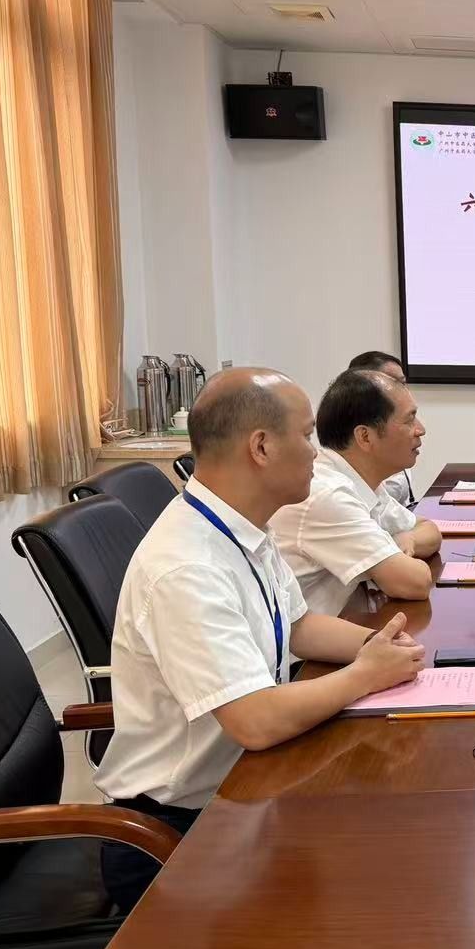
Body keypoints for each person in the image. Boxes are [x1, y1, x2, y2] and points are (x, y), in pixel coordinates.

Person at [95, 368, 426, 909]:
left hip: (244, 790)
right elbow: (255, 721)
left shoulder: (241, 525)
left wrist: (379, 649)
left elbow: (298, 626)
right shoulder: (187, 566)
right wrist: (365, 675)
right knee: (372, 886)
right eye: (307, 435)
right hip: (173, 834)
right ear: (262, 447)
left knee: (389, 845)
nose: (317, 453)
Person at [271, 369, 442, 618]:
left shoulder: (360, 481)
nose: (420, 429)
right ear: (365, 436)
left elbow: (430, 530)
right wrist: (396, 548)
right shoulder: (327, 494)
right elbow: (414, 583)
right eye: (409, 420)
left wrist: (409, 539)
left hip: (346, 625)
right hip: (311, 642)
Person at [347, 350, 421, 517]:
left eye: (402, 383)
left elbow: (413, 523)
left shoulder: (395, 444)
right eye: (391, 382)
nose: (420, 431)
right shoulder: (338, 492)